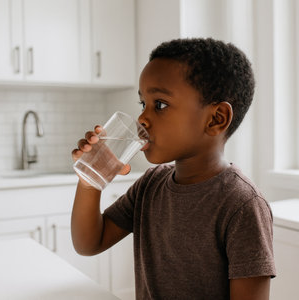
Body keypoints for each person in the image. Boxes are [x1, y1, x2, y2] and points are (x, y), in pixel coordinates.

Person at [71, 37, 276, 300]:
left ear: (216, 119)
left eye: (160, 104)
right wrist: (90, 182)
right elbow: (89, 243)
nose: (142, 118)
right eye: (143, 104)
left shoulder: (242, 205)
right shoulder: (150, 186)